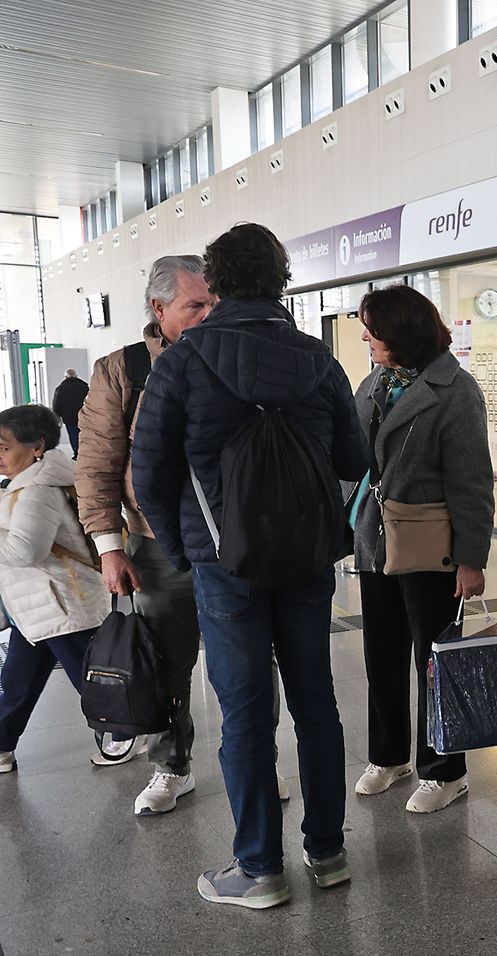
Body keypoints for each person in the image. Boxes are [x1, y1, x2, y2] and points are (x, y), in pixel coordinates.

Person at [131, 223, 366, 910]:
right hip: (304, 559)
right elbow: (353, 462)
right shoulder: (319, 361)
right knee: (316, 704)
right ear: (282, 278)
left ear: (219, 282)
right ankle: (327, 851)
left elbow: (150, 474)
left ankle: (259, 866)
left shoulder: (182, 362)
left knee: (245, 711)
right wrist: (324, 532)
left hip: (221, 564)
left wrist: (187, 550)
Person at [76, 254, 220, 812]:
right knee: (164, 661)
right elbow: (97, 464)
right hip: (158, 545)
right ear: (159, 309)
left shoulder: (229, 355)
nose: (208, 314)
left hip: (232, 541)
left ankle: (257, 760)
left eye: (213, 303)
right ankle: (171, 765)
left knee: (250, 658)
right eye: (195, 305)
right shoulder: (122, 371)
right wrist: (109, 548)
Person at [348, 285, 494, 815]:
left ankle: (444, 770)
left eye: (374, 327)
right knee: (380, 655)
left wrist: (472, 558)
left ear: (402, 331)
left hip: (431, 545)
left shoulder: (455, 390)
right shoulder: (373, 382)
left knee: (434, 660)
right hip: (375, 540)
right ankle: (389, 757)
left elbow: (473, 481)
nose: (365, 336)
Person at [0, 406, 114, 775]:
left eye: (3, 448)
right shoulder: (28, 483)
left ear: (37, 447)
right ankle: (1, 746)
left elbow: (24, 550)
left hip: (62, 605)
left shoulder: (37, 490)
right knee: (17, 683)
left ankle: (128, 733)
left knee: (95, 685)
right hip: (40, 606)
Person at [51, 369, 89, 457]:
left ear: (65, 377)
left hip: (69, 418)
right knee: (85, 435)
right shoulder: (84, 386)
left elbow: (56, 404)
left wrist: (57, 416)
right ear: (76, 376)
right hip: (84, 416)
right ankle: (86, 453)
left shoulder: (60, 388)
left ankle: (77, 453)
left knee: (73, 436)